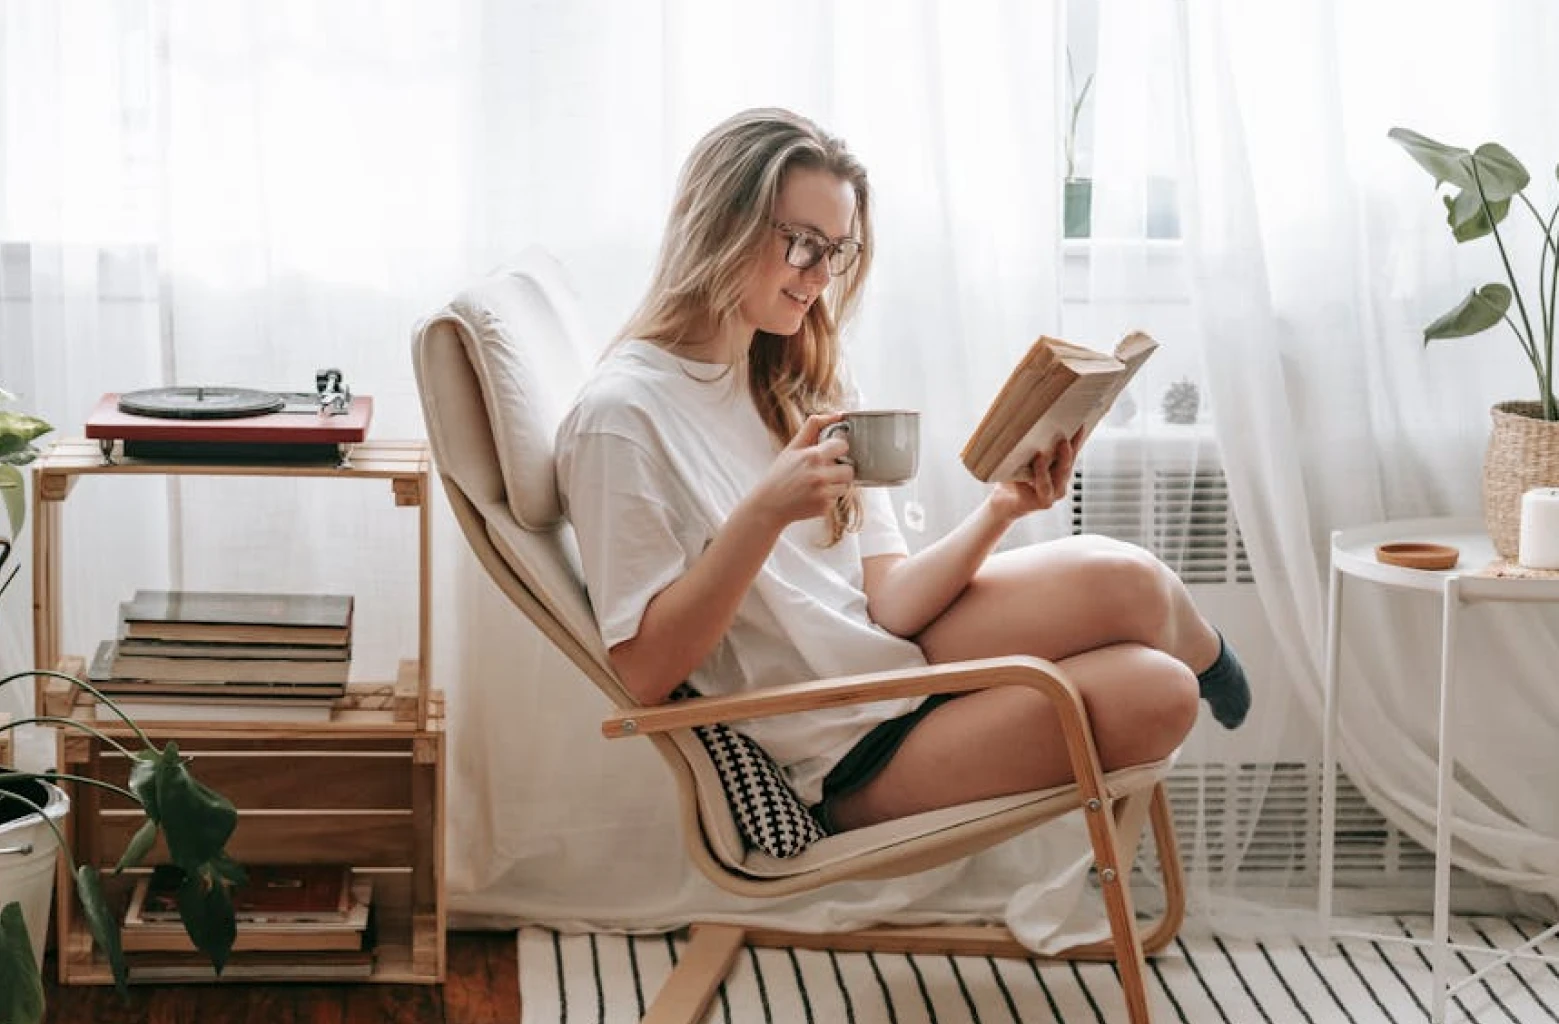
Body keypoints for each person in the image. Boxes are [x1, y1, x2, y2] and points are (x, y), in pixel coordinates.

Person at [555, 107, 1249, 835]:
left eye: (838, 251)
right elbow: (641, 674)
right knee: (1157, 694)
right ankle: (1195, 670)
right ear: (718, 225)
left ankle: (1212, 660)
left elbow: (886, 599)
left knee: (1131, 581)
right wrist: (762, 515)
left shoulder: (790, 374)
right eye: (802, 244)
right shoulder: (621, 418)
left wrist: (1000, 510)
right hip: (842, 749)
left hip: (892, 660)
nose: (821, 277)